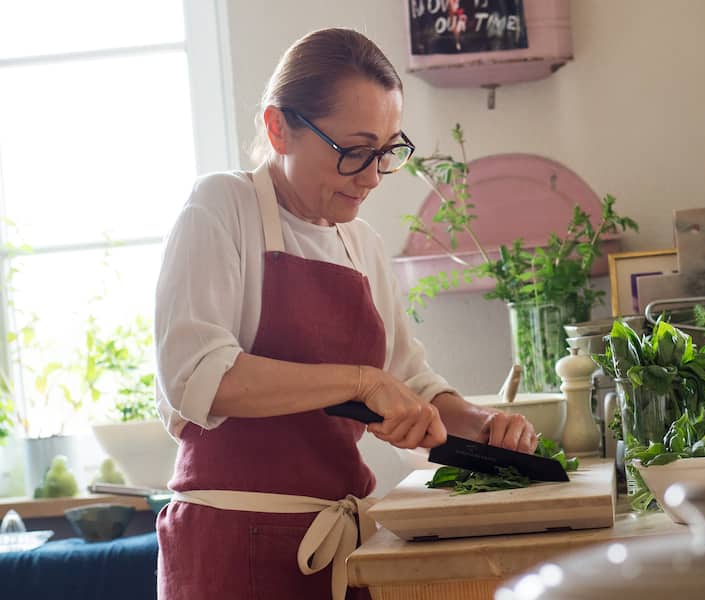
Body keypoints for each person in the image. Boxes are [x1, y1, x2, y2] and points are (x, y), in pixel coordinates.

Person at [154, 27, 537, 600]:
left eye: (387, 152)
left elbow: (410, 385)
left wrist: (482, 427)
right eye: (354, 151)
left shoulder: (361, 244)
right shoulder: (221, 206)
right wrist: (362, 381)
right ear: (277, 127)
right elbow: (199, 377)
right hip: (231, 545)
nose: (371, 176)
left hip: (345, 546)